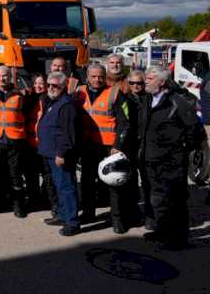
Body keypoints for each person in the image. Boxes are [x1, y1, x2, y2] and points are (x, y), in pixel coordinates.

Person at [140, 66, 205, 250]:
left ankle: (177, 239)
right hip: (151, 160)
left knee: (174, 201)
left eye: (150, 78)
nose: (146, 80)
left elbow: (196, 132)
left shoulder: (177, 102)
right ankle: (162, 232)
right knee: (158, 200)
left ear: (162, 82)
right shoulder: (148, 100)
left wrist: (179, 150)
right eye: (146, 77)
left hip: (172, 162)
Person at [73, 63, 131, 231]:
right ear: (87, 77)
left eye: (100, 76)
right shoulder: (78, 93)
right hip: (87, 145)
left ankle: (117, 218)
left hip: (108, 147)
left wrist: (118, 145)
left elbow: (124, 121)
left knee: (112, 183)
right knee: (87, 182)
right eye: (93, 76)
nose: (97, 80)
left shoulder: (114, 93)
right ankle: (88, 213)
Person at [37, 72, 80, 236]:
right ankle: (62, 215)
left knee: (66, 187)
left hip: (59, 155)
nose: (50, 88)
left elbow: (68, 134)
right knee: (59, 186)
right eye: (49, 85)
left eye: (55, 85)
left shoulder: (66, 105)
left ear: (63, 87)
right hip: (49, 153)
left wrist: (61, 153)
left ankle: (72, 222)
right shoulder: (52, 102)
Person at [0, 65, 29, 218]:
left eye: (4, 76)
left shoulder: (20, 94)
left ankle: (18, 205)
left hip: (15, 140)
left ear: (10, 77)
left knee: (15, 174)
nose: (1, 79)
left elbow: (27, 115)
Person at [24, 73, 58, 216]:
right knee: (31, 176)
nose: (38, 86)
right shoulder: (28, 99)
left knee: (48, 176)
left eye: (41, 83)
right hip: (30, 144)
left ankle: (52, 203)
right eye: (36, 83)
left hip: (45, 145)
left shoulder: (51, 100)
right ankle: (33, 200)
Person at [127, 69, 151, 229]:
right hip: (130, 146)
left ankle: (150, 216)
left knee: (149, 182)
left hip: (148, 146)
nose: (136, 86)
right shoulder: (124, 99)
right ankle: (133, 214)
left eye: (139, 83)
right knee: (130, 183)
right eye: (132, 83)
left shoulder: (151, 99)